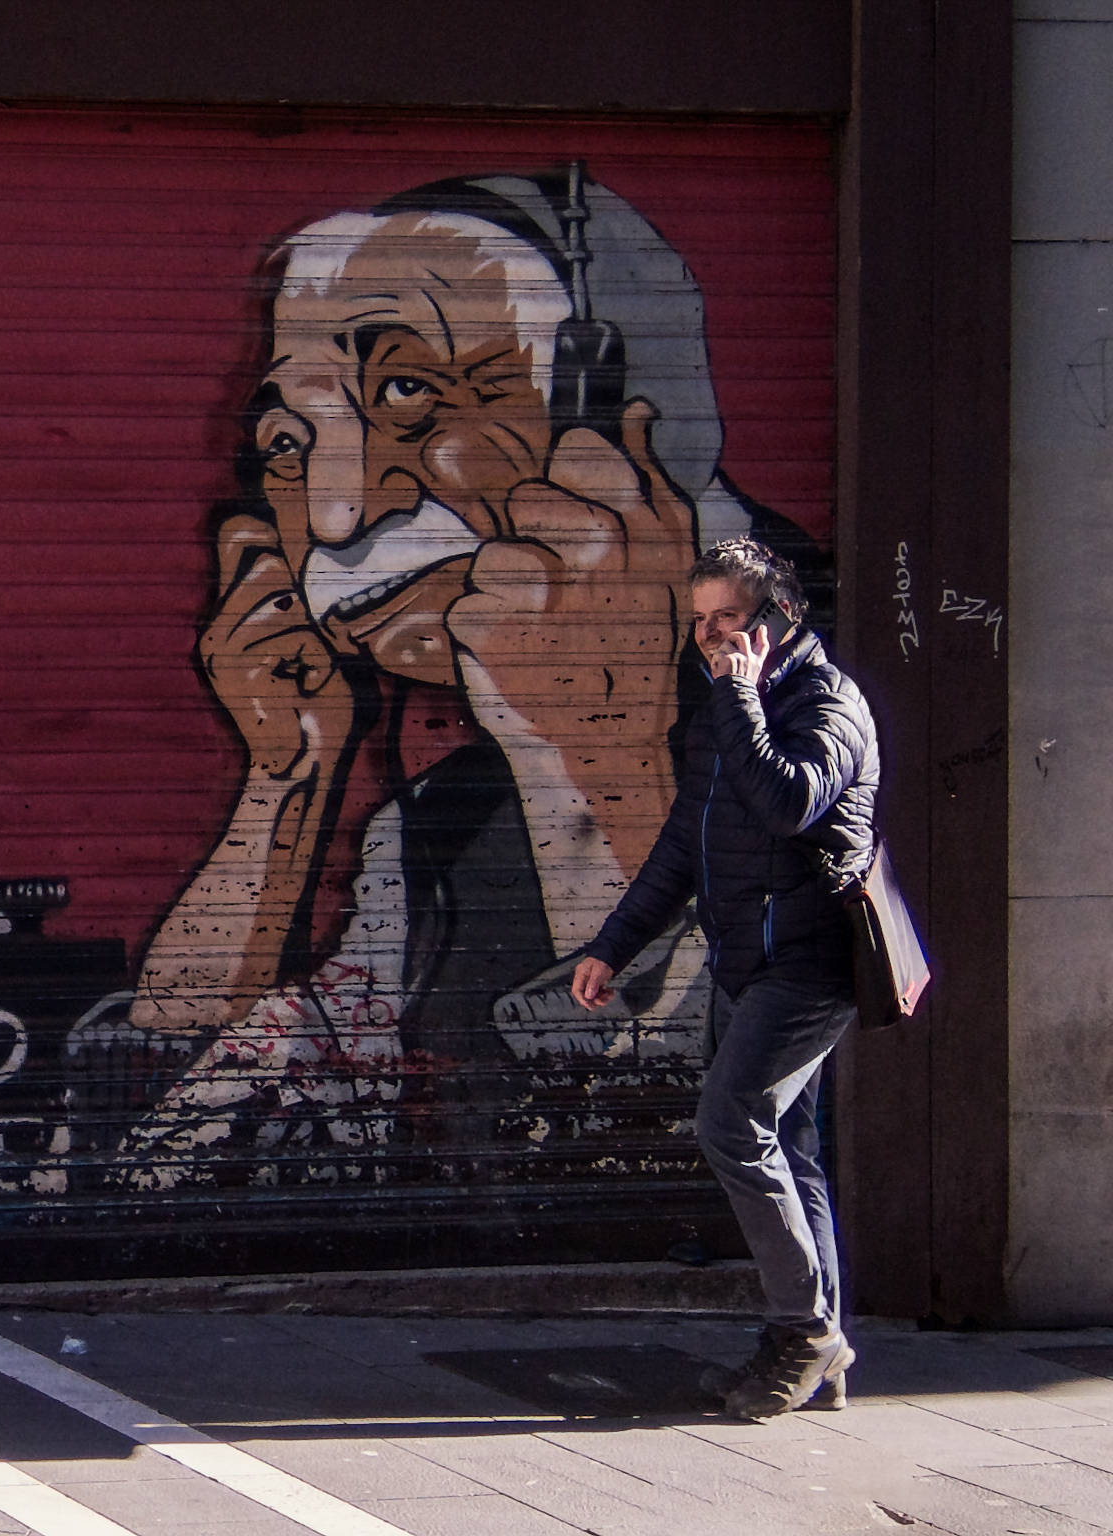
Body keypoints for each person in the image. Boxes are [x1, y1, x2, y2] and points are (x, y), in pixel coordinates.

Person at [107, 170, 827, 1191]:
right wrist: (283, 782)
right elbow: (161, 1139)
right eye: (289, 443)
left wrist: (595, 758)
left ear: (610, 433)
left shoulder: (803, 710)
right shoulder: (423, 839)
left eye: (407, 393)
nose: (338, 516)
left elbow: (688, 1109)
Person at [572, 536, 878, 1420]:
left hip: (809, 963)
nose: (711, 637)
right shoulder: (722, 708)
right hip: (743, 959)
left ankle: (803, 1333)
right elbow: (685, 842)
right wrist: (614, 944)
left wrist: (740, 695)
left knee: (731, 1126)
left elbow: (788, 803)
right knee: (792, 1149)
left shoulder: (828, 702)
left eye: (729, 618)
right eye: (701, 621)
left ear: (778, 618)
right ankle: (819, 1350)